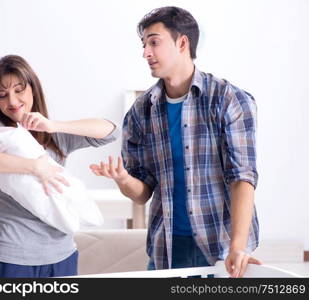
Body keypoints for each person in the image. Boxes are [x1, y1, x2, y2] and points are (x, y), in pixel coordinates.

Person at [90, 6, 260, 277]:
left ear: (183, 43)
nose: (146, 52)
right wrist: (122, 179)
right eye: (144, 44)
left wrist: (238, 246)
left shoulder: (230, 100)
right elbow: (143, 191)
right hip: (166, 249)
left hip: (222, 247)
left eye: (154, 42)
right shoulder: (140, 111)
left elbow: (242, 177)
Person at [0, 55, 118, 278]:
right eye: (2, 95)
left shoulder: (54, 135)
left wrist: (53, 125)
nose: (12, 101)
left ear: (33, 89)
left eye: (19, 90)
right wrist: (33, 166)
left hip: (62, 254)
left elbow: (111, 132)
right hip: (11, 253)